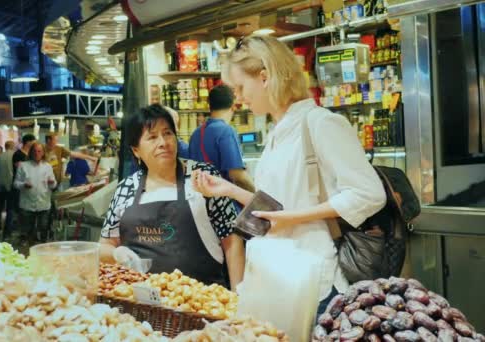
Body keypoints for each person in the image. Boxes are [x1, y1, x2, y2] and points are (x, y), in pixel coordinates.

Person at [192, 35, 387, 315]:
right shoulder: (277, 132)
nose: (238, 98)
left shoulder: (321, 124)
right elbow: (278, 207)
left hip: (316, 281)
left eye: (240, 87)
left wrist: (292, 218)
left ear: (265, 77)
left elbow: (369, 193)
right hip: (281, 278)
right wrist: (229, 190)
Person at [99, 104, 245, 290]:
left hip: (202, 303)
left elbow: (232, 240)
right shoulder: (126, 188)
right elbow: (104, 246)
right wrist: (117, 254)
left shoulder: (202, 177)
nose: (163, 142)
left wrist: (238, 297)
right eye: (152, 137)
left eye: (167, 133)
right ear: (136, 150)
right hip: (140, 304)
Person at [189, 84, 254, 193]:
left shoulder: (196, 133)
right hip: (223, 202)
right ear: (233, 106)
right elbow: (237, 175)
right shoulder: (226, 131)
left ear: (209, 106)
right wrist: (258, 194)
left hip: (202, 201)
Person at [14, 143, 57, 244]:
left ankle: (43, 248)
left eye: (39, 151)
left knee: (43, 228)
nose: (37, 153)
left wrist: (52, 183)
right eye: (34, 151)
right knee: (29, 230)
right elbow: (15, 183)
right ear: (31, 153)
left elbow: (53, 185)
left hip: (44, 203)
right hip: (27, 204)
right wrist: (23, 185)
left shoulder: (48, 167)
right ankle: (30, 248)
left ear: (43, 153)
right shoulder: (23, 166)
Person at [0, 140, 16, 239]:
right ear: (12, 146)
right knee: (10, 209)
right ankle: (7, 232)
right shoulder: (14, 156)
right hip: (10, 186)